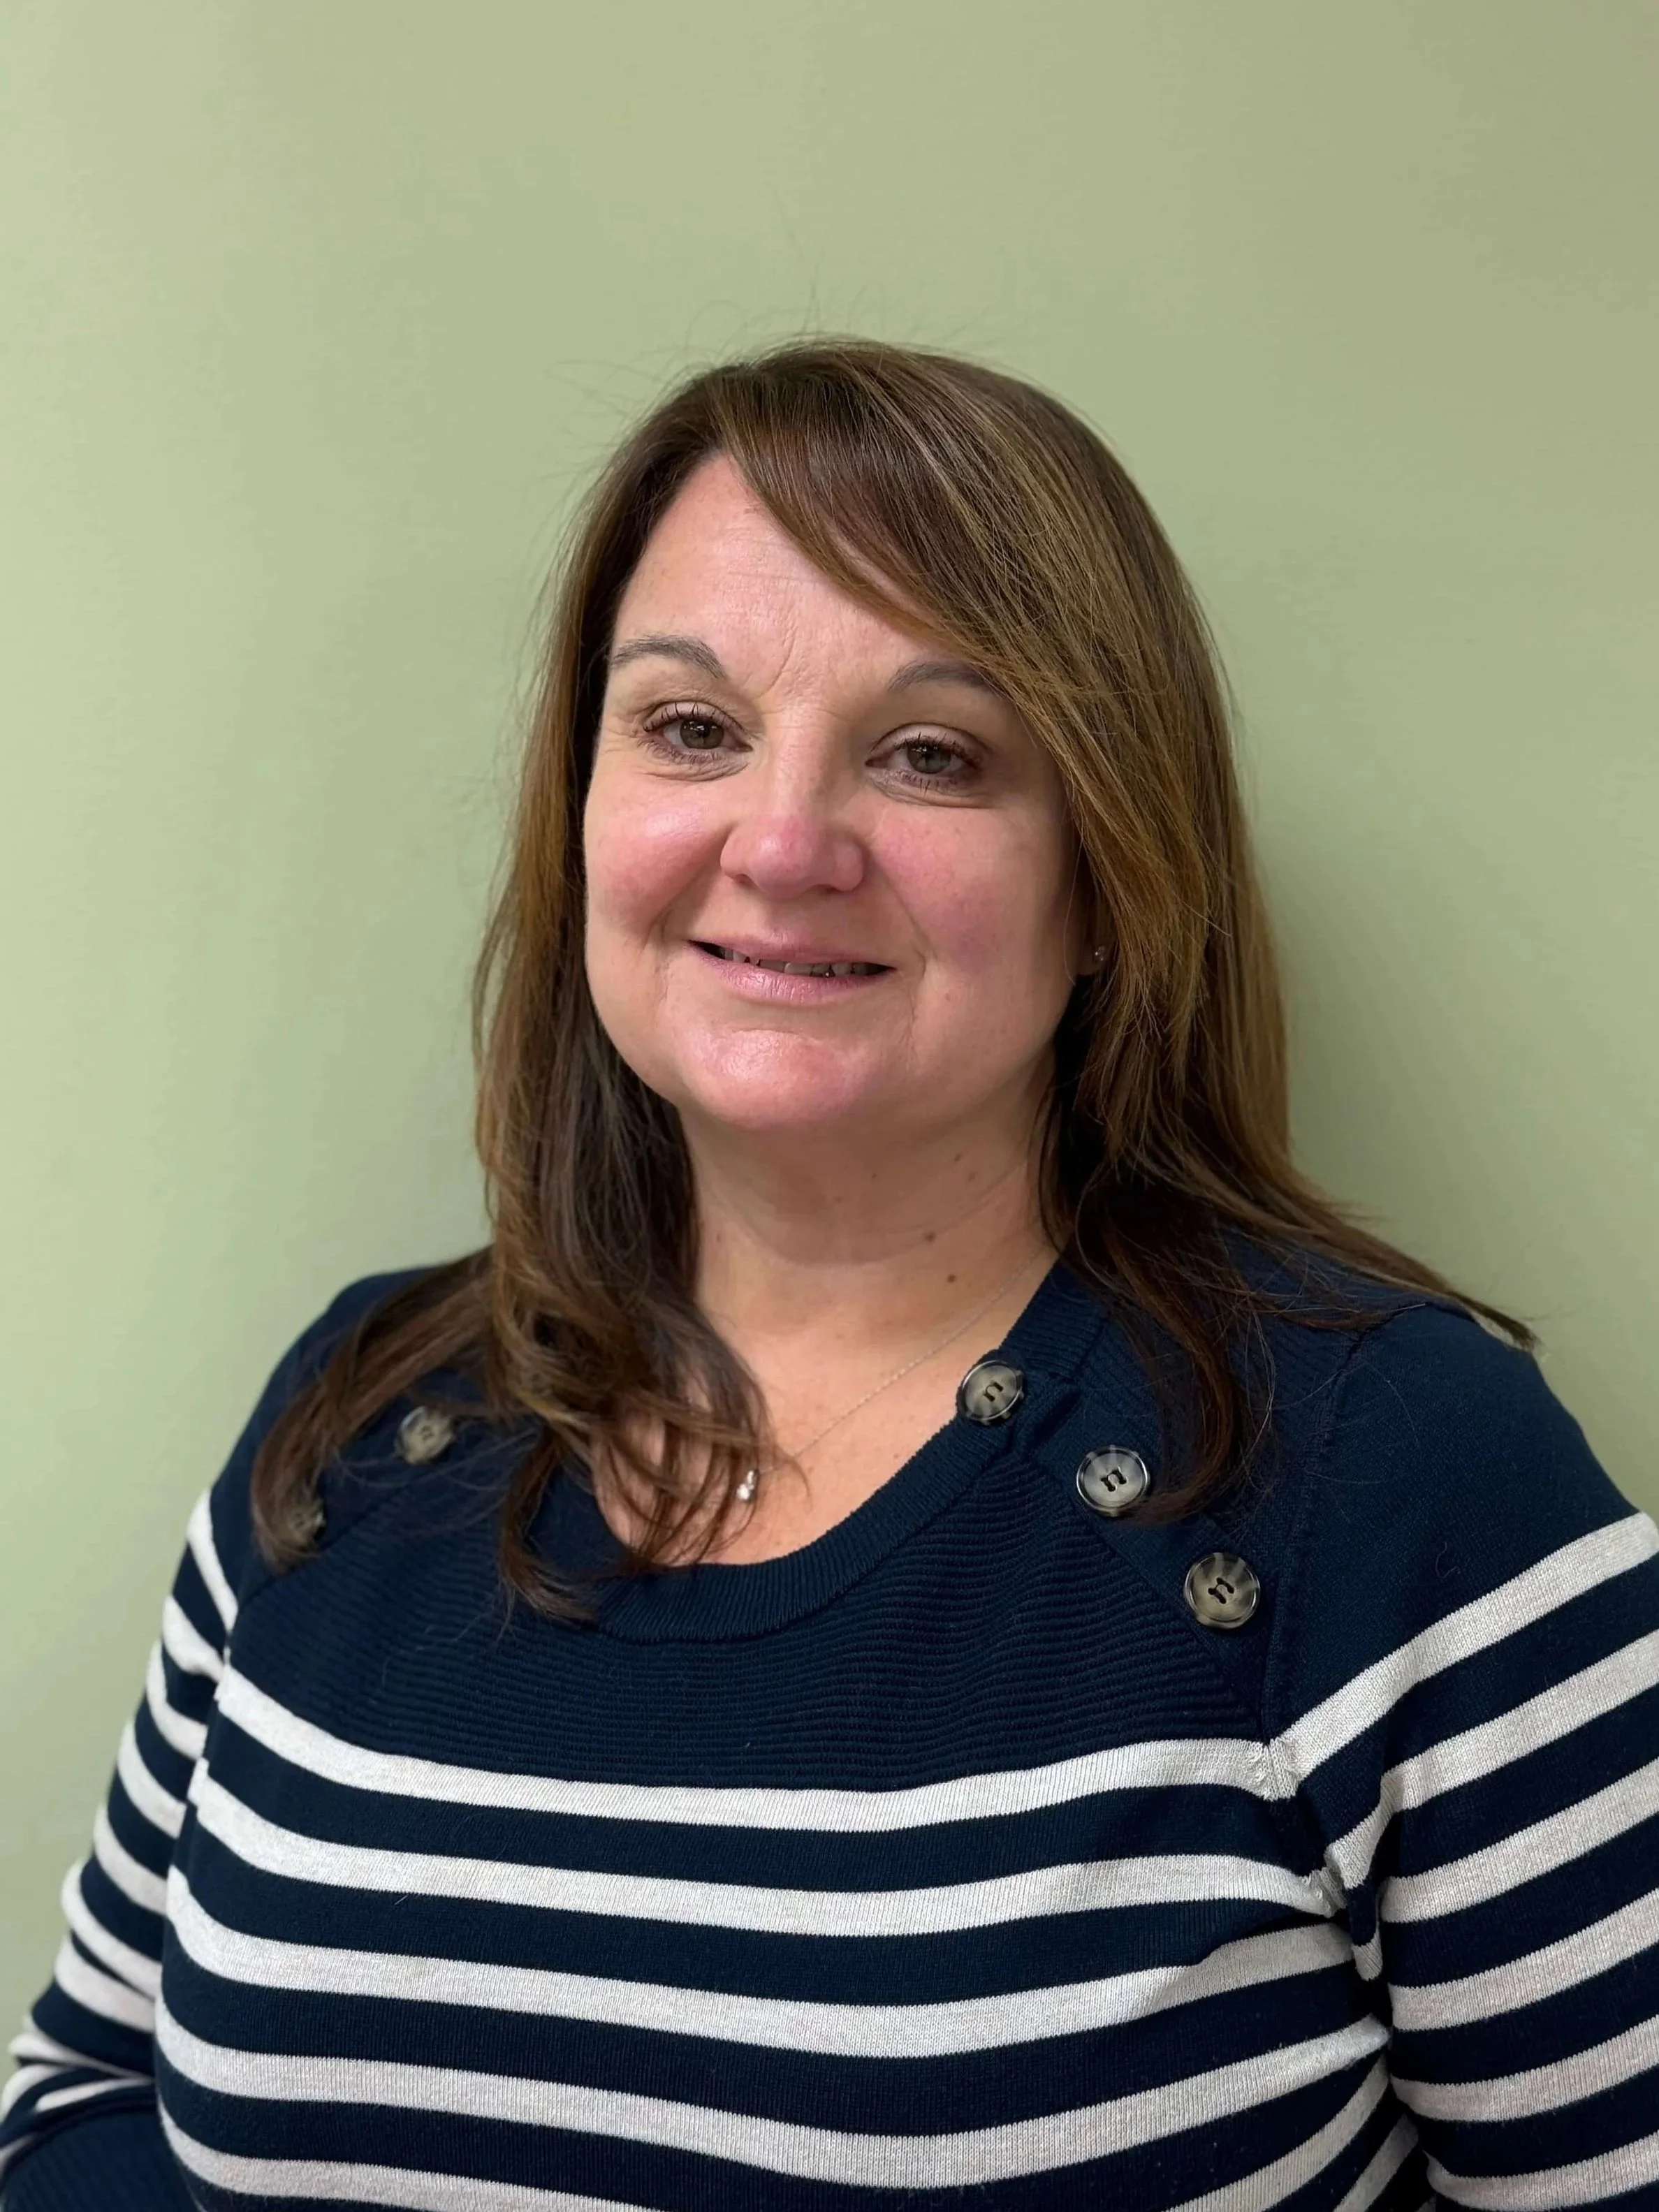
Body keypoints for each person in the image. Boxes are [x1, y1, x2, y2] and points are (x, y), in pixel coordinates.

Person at [2, 337, 1655, 2212]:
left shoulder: (1396, 1480)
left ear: (1107, 865)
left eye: (932, 752)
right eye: (690, 728)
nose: (782, 844)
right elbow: (87, 2093)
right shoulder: (363, 1417)